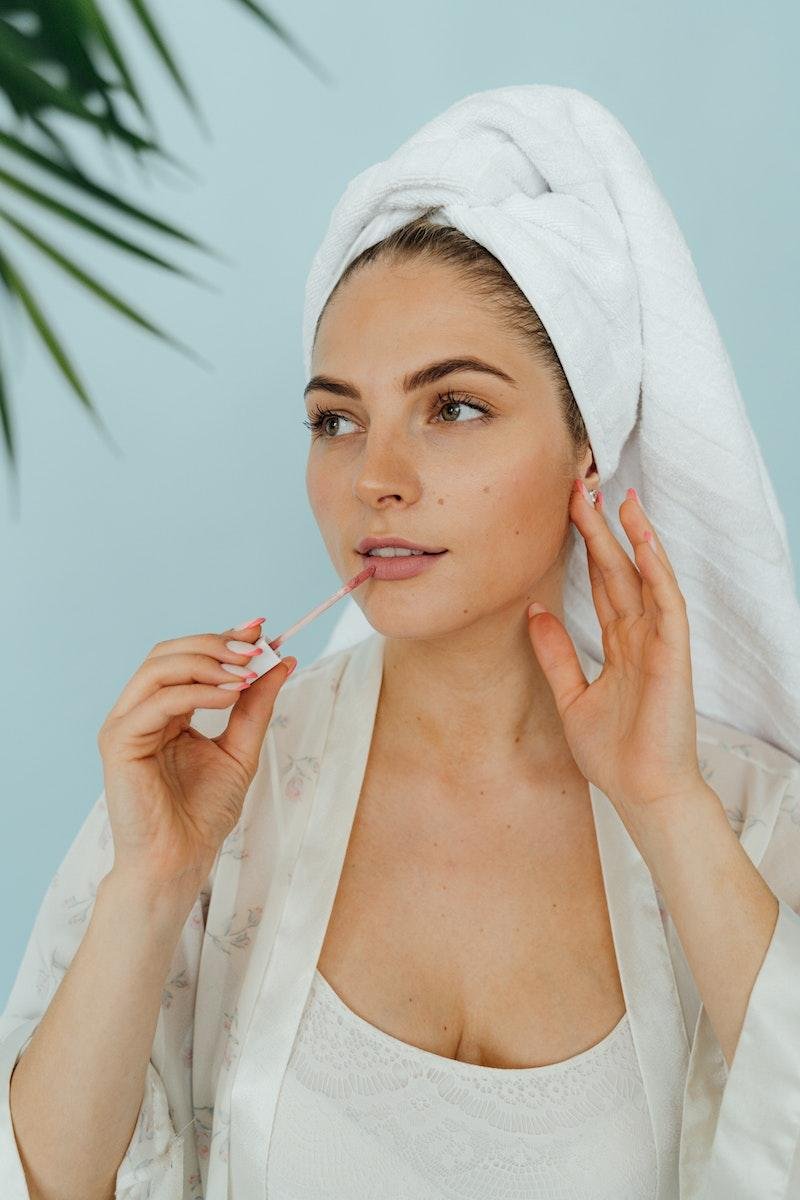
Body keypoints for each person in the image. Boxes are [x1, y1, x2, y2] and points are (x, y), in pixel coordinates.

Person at [2, 87, 800, 1200]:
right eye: (335, 420)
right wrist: (151, 880)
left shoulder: (749, 817)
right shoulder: (212, 803)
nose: (373, 476)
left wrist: (665, 806)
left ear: (587, 450)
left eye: (454, 407)